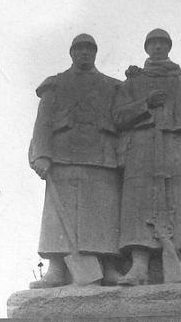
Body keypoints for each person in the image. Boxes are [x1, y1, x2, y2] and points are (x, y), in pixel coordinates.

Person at [113, 28, 181, 285]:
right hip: (141, 146)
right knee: (137, 203)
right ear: (146, 48)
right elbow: (117, 117)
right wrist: (146, 104)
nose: (158, 47)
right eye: (153, 43)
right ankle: (138, 266)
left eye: (162, 43)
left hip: (177, 145)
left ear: (169, 47)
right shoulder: (132, 83)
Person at [28, 34, 121, 287]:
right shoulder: (56, 85)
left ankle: (109, 267)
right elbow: (43, 123)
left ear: (95, 53)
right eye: (79, 49)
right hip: (63, 157)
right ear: (71, 53)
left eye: (89, 49)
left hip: (103, 157)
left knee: (104, 214)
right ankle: (56, 270)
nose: (84, 53)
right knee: (58, 216)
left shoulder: (112, 86)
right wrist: (42, 155)